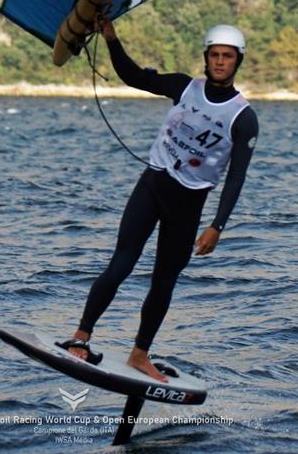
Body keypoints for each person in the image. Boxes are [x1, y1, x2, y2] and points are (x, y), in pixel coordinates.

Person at [59, 20, 259, 382]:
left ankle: (139, 354)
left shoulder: (243, 118)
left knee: (164, 281)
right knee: (121, 263)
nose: (219, 61)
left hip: (189, 203)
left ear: (237, 61)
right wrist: (111, 38)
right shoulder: (184, 86)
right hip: (153, 184)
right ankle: (81, 336)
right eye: (214, 55)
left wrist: (217, 226)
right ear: (205, 58)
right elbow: (133, 76)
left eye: (227, 56)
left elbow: (237, 176)